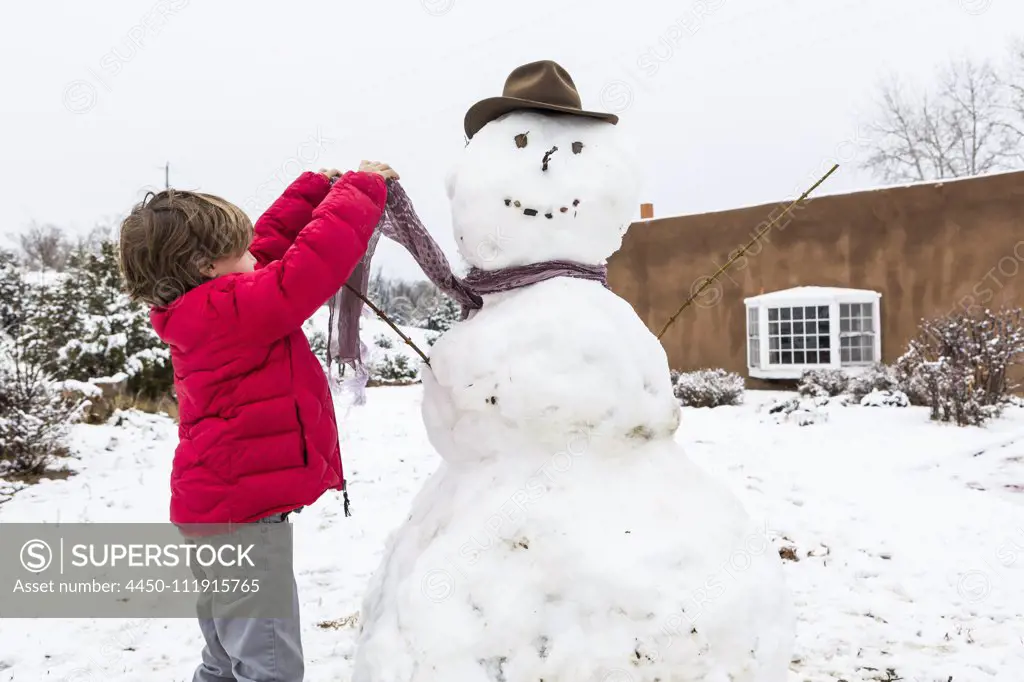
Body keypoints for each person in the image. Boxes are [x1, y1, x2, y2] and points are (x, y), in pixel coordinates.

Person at [118, 160, 398, 681]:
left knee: (226, 660)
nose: (254, 255)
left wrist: (313, 189)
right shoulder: (231, 308)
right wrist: (362, 187)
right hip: (239, 527)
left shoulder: (205, 305)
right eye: (237, 248)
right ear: (206, 265)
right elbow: (305, 270)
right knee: (270, 668)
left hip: (216, 517)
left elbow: (265, 248)